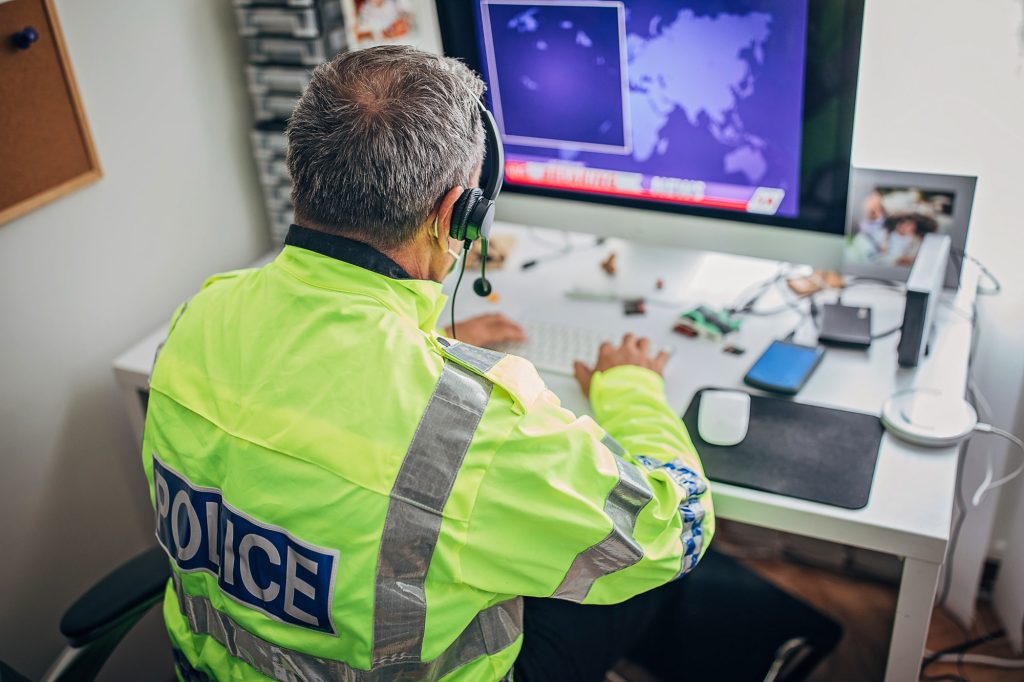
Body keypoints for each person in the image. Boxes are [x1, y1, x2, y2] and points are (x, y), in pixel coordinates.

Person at [143, 45, 713, 682]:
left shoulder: (204, 313)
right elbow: (676, 527)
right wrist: (632, 387)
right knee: (638, 583)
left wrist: (419, 337)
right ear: (454, 215)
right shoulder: (465, 421)